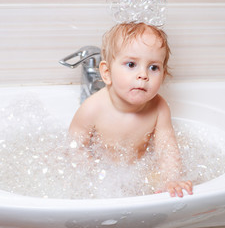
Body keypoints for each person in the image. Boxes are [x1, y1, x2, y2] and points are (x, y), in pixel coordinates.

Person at [69, 22, 193, 197]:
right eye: (131, 64)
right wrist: (93, 178)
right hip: (100, 173)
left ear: (163, 75)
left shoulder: (159, 107)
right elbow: (75, 148)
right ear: (106, 72)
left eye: (153, 67)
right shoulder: (92, 108)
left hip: (138, 173)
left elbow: (167, 149)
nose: (143, 74)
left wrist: (171, 178)